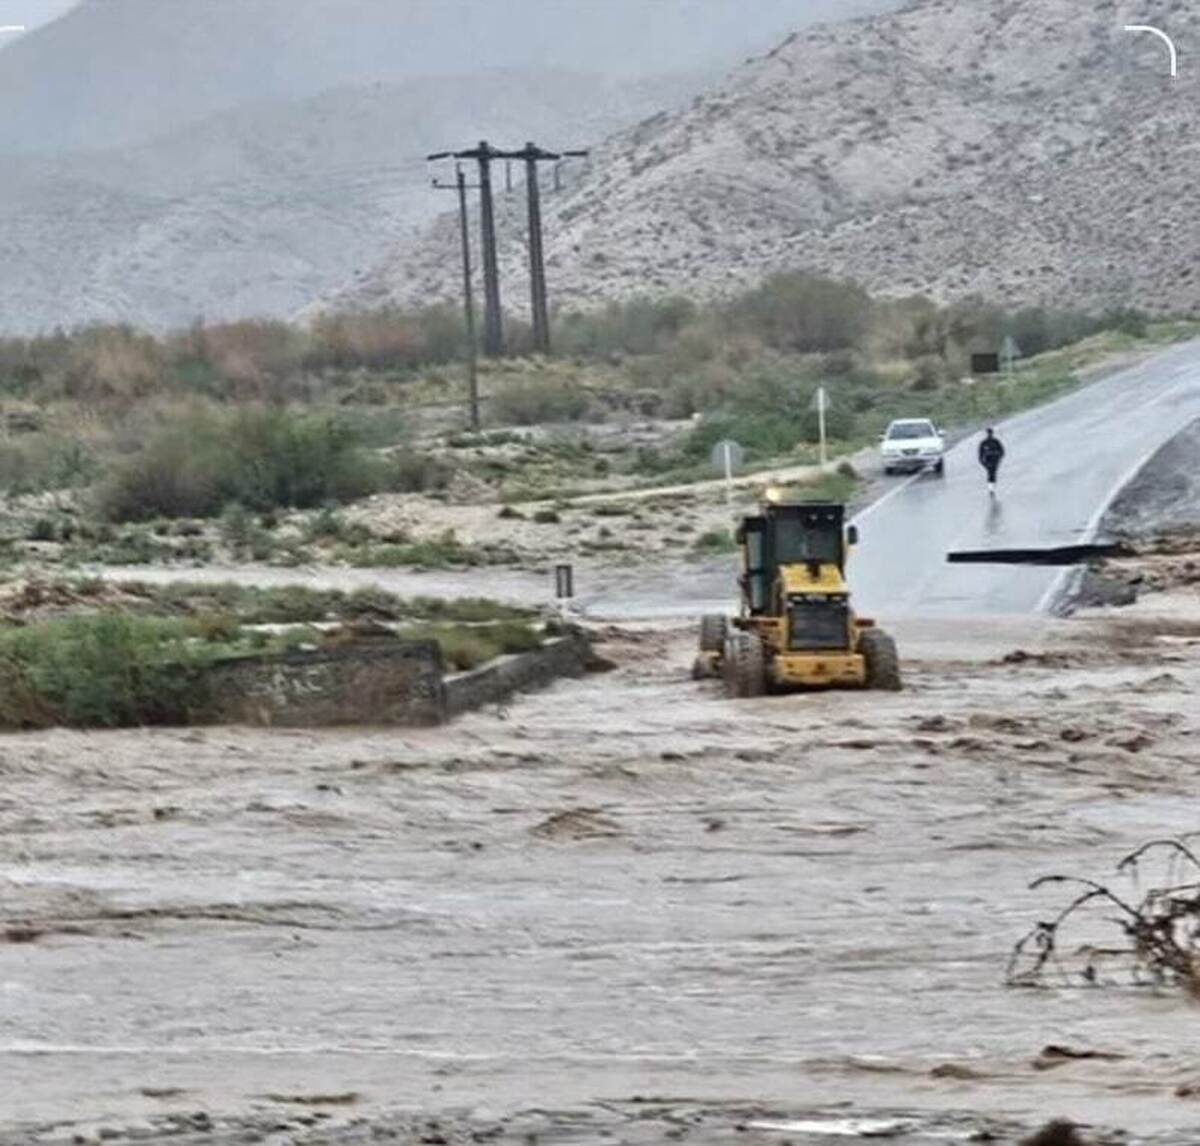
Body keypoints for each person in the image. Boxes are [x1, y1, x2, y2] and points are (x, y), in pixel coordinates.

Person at [978, 428, 1005, 495]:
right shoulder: (984, 443)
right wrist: (983, 462)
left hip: (995, 460)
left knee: (993, 473)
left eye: (990, 433)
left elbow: (1002, 451)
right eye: (988, 433)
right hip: (988, 461)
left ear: (992, 434)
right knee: (990, 473)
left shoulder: (996, 442)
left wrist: (999, 458)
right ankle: (991, 489)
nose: (989, 435)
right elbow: (980, 454)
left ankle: (992, 488)